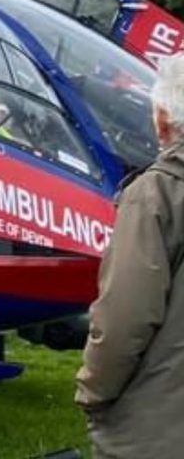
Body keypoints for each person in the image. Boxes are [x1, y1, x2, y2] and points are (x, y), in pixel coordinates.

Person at [76, 53, 184, 458]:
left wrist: (93, 389)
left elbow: (126, 314)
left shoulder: (157, 195)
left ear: (162, 119)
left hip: (159, 427)